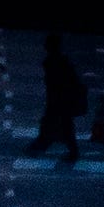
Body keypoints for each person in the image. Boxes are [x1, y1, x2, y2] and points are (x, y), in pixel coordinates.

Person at [27, 32, 84, 163]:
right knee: (61, 124)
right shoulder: (61, 61)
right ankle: (47, 145)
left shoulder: (54, 62)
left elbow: (58, 83)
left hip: (59, 99)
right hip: (61, 99)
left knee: (60, 124)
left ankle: (46, 145)